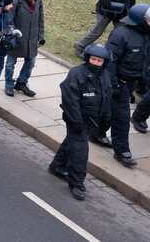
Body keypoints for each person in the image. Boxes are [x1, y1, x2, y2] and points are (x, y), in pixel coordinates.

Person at [50, 44, 111, 201]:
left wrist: (105, 119)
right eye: (93, 59)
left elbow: (106, 96)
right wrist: (76, 121)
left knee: (71, 143)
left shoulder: (105, 75)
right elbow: (70, 100)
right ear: (87, 58)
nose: (96, 63)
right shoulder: (76, 74)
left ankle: (57, 166)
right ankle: (76, 183)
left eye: (99, 61)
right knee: (80, 152)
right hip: (77, 120)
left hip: (93, 120)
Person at [105, 3, 150, 168]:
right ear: (140, 20)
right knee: (122, 118)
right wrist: (115, 85)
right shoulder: (121, 35)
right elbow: (110, 61)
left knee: (107, 113)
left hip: (133, 82)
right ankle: (122, 151)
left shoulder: (148, 35)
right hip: (120, 83)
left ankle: (97, 133)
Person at [4, 0, 45, 97]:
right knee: (10, 64)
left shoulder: (39, 1)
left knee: (30, 63)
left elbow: (40, 20)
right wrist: (12, 34)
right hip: (17, 39)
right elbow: (9, 20)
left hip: (31, 40)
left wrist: (41, 36)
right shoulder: (16, 0)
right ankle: (8, 84)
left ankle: (22, 83)